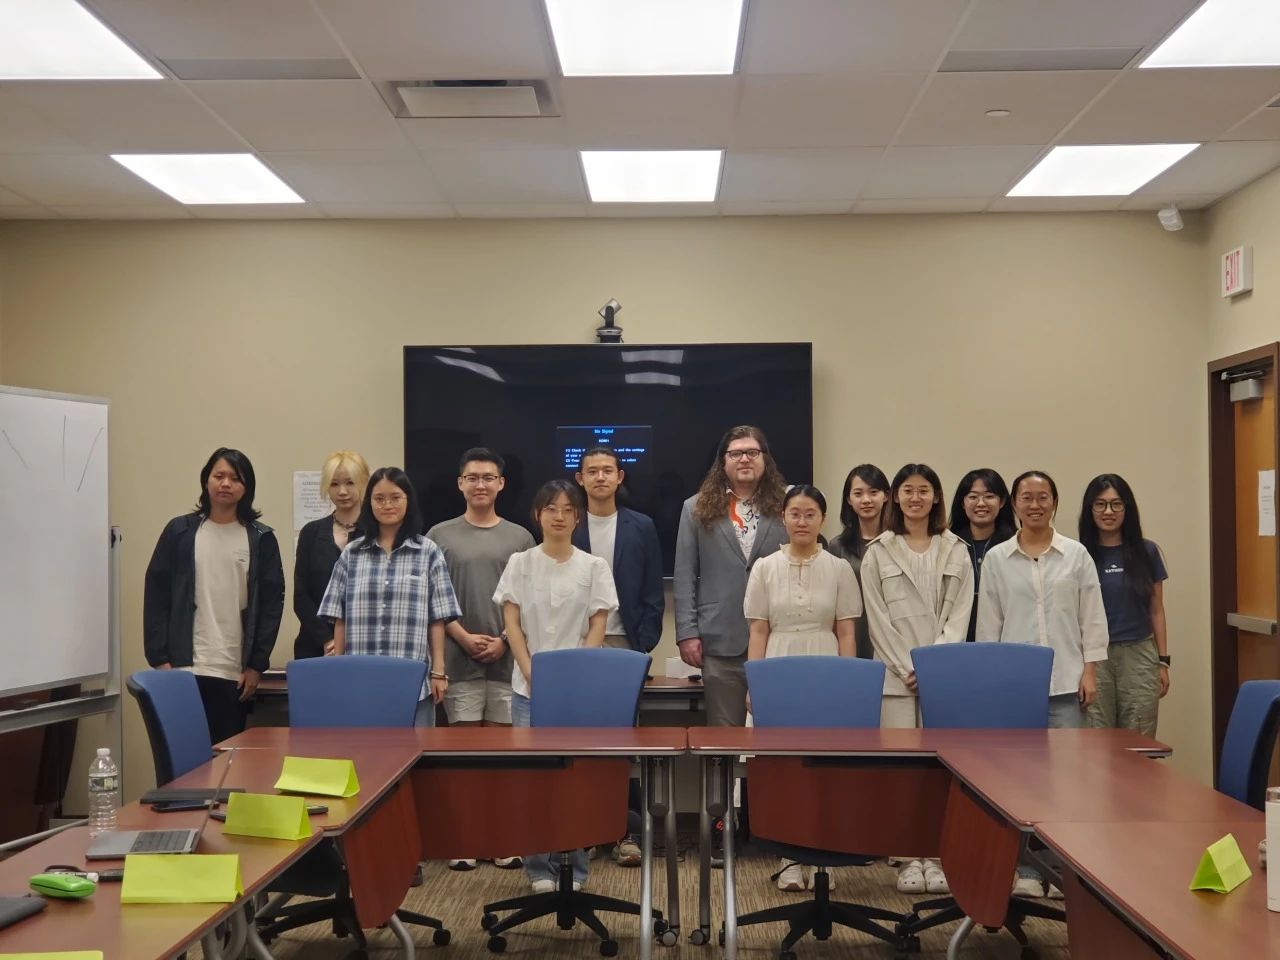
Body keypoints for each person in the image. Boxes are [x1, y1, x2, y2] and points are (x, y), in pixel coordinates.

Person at [977, 469, 1108, 899]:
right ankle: (1025, 870)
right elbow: (989, 625)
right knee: (1017, 783)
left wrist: (1090, 671)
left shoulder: (1076, 555)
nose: (1035, 505)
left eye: (1043, 497)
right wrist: (993, 683)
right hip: (1014, 689)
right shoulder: (998, 559)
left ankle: (1059, 868)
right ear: (1014, 504)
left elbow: (1092, 617)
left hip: (1067, 682)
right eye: (1026, 497)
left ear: (1054, 502)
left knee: (1065, 783)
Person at [495, 479, 619, 894]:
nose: (559, 516)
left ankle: (575, 867)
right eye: (551, 509)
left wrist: (577, 673)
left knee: (574, 781)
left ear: (577, 517)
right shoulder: (520, 563)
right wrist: (530, 669)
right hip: (527, 688)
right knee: (534, 782)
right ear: (538, 515)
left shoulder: (593, 566)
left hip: (576, 690)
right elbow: (511, 623)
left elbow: (598, 624)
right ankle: (537, 868)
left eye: (568, 510)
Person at [861, 463, 972, 896]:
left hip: (942, 678)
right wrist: (907, 666)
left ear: (936, 497)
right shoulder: (878, 552)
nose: (915, 498)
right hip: (896, 679)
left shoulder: (956, 549)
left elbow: (960, 614)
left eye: (924, 490)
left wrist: (932, 666)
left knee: (942, 770)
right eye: (907, 490)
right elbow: (877, 620)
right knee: (902, 770)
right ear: (896, 497)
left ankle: (938, 855)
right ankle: (909, 856)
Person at [745, 484, 860, 892]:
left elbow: (846, 632)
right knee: (783, 767)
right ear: (783, 517)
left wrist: (849, 684)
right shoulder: (765, 567)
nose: (802, 521)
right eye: (795, 513)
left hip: (826, 663)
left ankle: (824, 852)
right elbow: (758, 631)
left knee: (824, 766)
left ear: (822, 519)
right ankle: (790, 857)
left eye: (810, 514)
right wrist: (755, 684)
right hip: (778, 663)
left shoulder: (839, 569)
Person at [427, 447, 535, 872]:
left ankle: (502, 840)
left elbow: (527, 601)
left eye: (489, 477)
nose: (480, 485)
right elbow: (433, 599)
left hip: (508, 663)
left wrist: (505, 641)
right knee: (464, 758)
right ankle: (466, 840)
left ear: (501, 484)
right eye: (472, 477)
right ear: (460, 483)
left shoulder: (520, 538)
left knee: (503, 759)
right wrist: (462, 635)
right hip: (459, 661)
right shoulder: (439, 536)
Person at [143, 447, 285, 745]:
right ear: (206, 481)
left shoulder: (261, 539)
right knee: (184, 757)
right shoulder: (179, 532)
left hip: (233, 671)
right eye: (219, 476)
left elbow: (271, 606)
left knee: (225, 758)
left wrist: (256, 665)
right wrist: (159, 659)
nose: (226, 483)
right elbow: (156, 594)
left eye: (235, 478)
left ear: (246, 487)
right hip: (182, 668)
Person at [572, 445, 664, 868]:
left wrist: (644, 643)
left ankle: (626, 833)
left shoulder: (640, 525)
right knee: (579, 743)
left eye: (607, 470)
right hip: (576, 646)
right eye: (592, 471)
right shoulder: (567, 521)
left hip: (625, 645)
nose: (600, 477)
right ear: (580, 479)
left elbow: (652, 589)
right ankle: (586, 832)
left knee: (623, 742)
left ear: (620, 476)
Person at [318, 467, 460, 728]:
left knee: (416, 752)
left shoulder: (428, 552)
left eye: (395, 497)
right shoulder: (352, 553)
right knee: (362, 750)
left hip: (414, 682)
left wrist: (439, 672)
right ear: (369, 503)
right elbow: (340, 617)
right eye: (379, 498)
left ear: (408, 500)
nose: (387, 505)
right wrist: (338, 668)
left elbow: (437, 619)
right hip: (360, 680)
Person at [674, 425, 788, 727]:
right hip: (720, 639)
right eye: (736, 454)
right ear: (722, 462)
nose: (745, 459)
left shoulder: (787, 506)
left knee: (779, 732)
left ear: (765, 459)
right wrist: (687, 633)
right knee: (724, 736)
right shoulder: (695, 508)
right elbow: (685, 574)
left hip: (779, 637)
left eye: (752, 452)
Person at [1078, 474, 1169, 735]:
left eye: (1116, 504)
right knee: (1096, 737)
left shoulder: (1147, 551)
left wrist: (1163, 662)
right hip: (1094, 659)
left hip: (1139, 655)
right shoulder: (1078, 554)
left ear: (1127, 508)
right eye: (1100, 504)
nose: (1108, 511)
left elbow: (1157, 610)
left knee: (1139, 735)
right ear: (1090, 509)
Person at [293, 451, 370, 660]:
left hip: (364, 644)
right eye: (334, 484)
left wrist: (344, 641)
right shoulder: (311, 532)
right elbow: (301, 595)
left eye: (350, 483)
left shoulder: (376, 533)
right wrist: (328, 640)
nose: (342, 491)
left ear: (364, 482)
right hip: (315, 645)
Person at [827, 464, 890, 659]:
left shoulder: (898, 543)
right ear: (849, 499)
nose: (866, 500)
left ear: (886, 496)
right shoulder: (837, 546)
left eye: (873, 492)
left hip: (890, 631)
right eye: (858, 493)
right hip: (852, 632)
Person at [947, 469, 1017, 643]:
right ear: (962, 503)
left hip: (1005, 637)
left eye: (989, 496)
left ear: (1002, 502)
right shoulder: (949, 545)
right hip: (956, 638)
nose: (981, 503)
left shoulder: (1015, 545)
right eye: (973, 497)